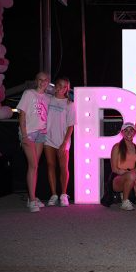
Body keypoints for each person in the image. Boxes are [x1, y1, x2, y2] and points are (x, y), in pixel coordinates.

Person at [17, 72, 51, 212]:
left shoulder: (48, 98)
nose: (42, 82)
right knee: (33, 165)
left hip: (41, 133)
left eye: (45, 80)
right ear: (36, 81)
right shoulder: (29, 93)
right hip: (29, 133)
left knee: (35, 167)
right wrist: (24, 134)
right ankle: (31, 200)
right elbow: (22, 114)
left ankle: (33, 196)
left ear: (48, 82)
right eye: (40, 80)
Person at [44, 77, 76, 207]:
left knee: (63, 167)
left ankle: (63, 194)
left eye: (64, 87)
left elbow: (71, 126)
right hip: (47, 139)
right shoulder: (47, 100)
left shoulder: (70, 104)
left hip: (63, 140)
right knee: (51, 165)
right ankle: (53, 194)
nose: (61, 88)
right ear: (55, 86)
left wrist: (65, 142)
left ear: (67, 89)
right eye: (59, 85)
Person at [105, 122, 136, 210]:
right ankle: (125, 202)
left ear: (134, 133)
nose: (129, 133)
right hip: (117, 178)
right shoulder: (117, 147)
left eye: (131, 130)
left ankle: (125, 193)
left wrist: (132, 176)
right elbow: (114, 169)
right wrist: (131, 174)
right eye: (126, 131)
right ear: (122, 133)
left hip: (131, 177)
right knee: (131, 175)